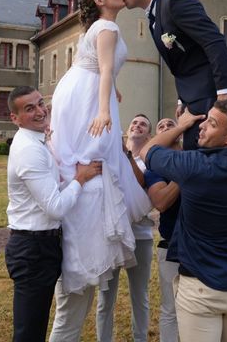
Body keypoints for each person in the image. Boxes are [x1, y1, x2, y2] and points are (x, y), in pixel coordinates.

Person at [48, 0, 153, 342]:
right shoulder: (106, 26)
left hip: (80, 89)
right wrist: (104, 109)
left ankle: (81, 185)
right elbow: (103, 69)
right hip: (89, 94)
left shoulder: (97, 27)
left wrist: (114, 92)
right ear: (98, 1)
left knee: (92, 157)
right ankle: (87, 204)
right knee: (97, 153)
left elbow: (98, 66)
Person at [140, 100, 227, 342]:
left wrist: (181, 126)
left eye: (211, 124)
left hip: (200, 288)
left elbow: (147, 150)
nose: (201, 126)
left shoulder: (193, 166)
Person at [4, 86, 102, 342]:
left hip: (43, 245)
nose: (40, 111)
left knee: (36, 326)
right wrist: (80, 179)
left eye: (40, 103)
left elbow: (52, 188)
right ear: (15, 118)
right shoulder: (28, 149)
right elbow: (55, 207)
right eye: (29, 108)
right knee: (29, 332)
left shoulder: (38, 141)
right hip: (32, 249)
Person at [121, 0, 227, 149]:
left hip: (210, 92)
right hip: (192, 97)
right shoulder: (153, 19)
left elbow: (213, 40)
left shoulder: (174, 3)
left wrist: (225, 90)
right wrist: (182, 99)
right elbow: (182, 61)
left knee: (208, 155)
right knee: (194, 154)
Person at [96, 114, 154, 342]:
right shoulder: (110, 157)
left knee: (140, 296)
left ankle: (140, 338)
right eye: (134, 122)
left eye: (143, 124)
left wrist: (126, 155)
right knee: (105, 297)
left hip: (140, 237)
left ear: (148, 135)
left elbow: (141, 183)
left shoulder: (149, 160)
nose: (137, 125)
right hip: (111, 237)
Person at [143, 117, 181, 342]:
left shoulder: (196, 155)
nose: (166, 128)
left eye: (170, 124)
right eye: (161, 127)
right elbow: (161, 202)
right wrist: (186, 174)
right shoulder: (154, 169)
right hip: (171, 247)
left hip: (202, 245)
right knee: (170, 308)